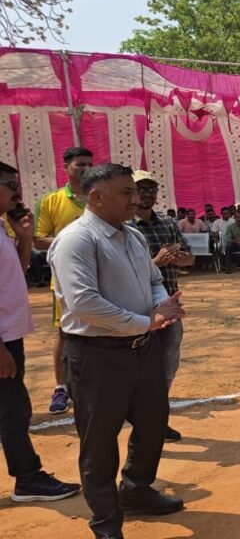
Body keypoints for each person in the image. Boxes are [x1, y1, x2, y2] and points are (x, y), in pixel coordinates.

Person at [48, 163, 186, 539]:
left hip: (143, 350)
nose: (136, 199)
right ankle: (106, 523)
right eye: (127, 192)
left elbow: (154, 280)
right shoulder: (77, 240)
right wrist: (146, 321)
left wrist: (159, 307)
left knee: (153, 423)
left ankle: (136, 489)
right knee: (99, 443)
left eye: (135, 191)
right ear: (96, 197)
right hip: (97, 356)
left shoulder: (133, 236)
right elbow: (84, 304)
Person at [0, 162, 82, 504]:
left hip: (9, 335)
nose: (17, 192)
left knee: (12, 407)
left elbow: (16, 274)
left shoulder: (2, 227)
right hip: (2, 340)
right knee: (13, 410)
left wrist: (23, 239)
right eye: (10, 184)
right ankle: (27, 478)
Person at [131, 170, 193, 442]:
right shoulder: (125, 228)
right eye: (140, 188)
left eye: (151, 189)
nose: (147, 194)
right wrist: (156, 262)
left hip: (170, 309)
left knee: (167, 365)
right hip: (137, 309)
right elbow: (122, 271)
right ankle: (139, 417)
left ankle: (156, 419)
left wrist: (179, 259)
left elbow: (190, 258)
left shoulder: (168, 224)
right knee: (137, 368)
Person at [33, 146, 93, 415]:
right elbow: (38, 239)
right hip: (65, 280)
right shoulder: (51, 201)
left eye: (90, 164)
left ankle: (92, 383)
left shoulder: (100, 197)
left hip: (101, 277)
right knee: (64, 332)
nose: (86, 169)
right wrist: (72, 242)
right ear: (66, 167)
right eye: (80, 164)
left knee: (100, 328)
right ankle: (60, 388)